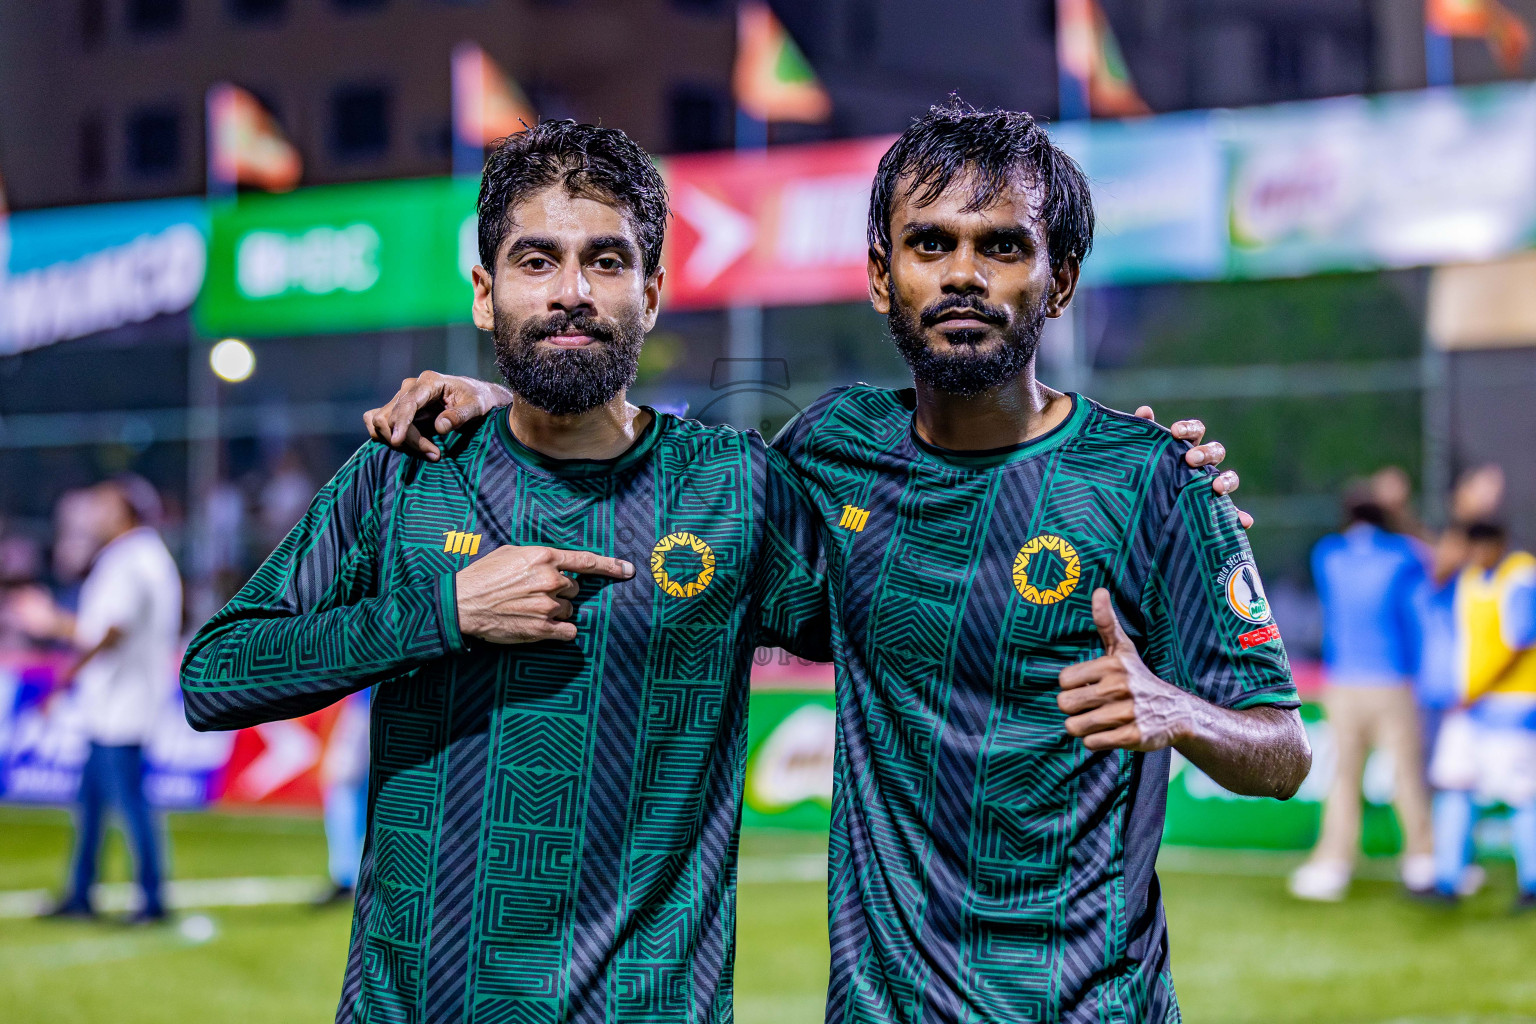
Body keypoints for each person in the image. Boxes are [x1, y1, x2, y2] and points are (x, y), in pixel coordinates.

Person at [367, 104, 1309, 1023]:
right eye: (930, 244)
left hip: (1090, 1003)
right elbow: (671, 496)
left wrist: (1175, 709)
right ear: (879, 274)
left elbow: (1283, 753)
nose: (964, 275)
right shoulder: (833, 447)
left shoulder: (1153, 481)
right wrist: (519, 397)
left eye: (1004, 247)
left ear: (1058, 280)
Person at [181, 121, 837, 1024]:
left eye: (606, 262)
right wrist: (442, 610)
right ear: (486, 296)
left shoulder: (734, 488)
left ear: (651, 290)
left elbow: (911, 644)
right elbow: (215, 676)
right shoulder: (407, 471)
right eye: (536, 262)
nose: (571, 291)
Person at [41, 476, 182, 923]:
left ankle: (152, 899)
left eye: (102, 507)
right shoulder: (148, 554)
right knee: (94, 803)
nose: (93, 516)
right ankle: (81, 893)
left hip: (121, 703)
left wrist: (55, 635)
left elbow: (110, 631)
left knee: (128, 803)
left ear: (124, 513)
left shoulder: (128, 559)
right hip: (119, 701)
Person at [1289, 486, 1434, 901]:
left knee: (1344, 777)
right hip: (1392, 682)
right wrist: (1401, 509)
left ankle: (1333, 864)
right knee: (1406, 775)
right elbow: (1435, 558)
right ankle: (1422, 860)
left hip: (1343, 685)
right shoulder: (1403, 553)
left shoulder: (1328, 554)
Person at [1426, 521, 1536, 910]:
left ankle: (1531, 885)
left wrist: (1479, 690)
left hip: (1512, 705)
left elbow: (1520, 644)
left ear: (1501, 544)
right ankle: (1447, 880)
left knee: (1522, 794)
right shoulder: (1470, 578)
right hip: (1469, 705)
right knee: (1453, 784)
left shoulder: (1521, 574)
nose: (1478, 555)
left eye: (1483, 547)